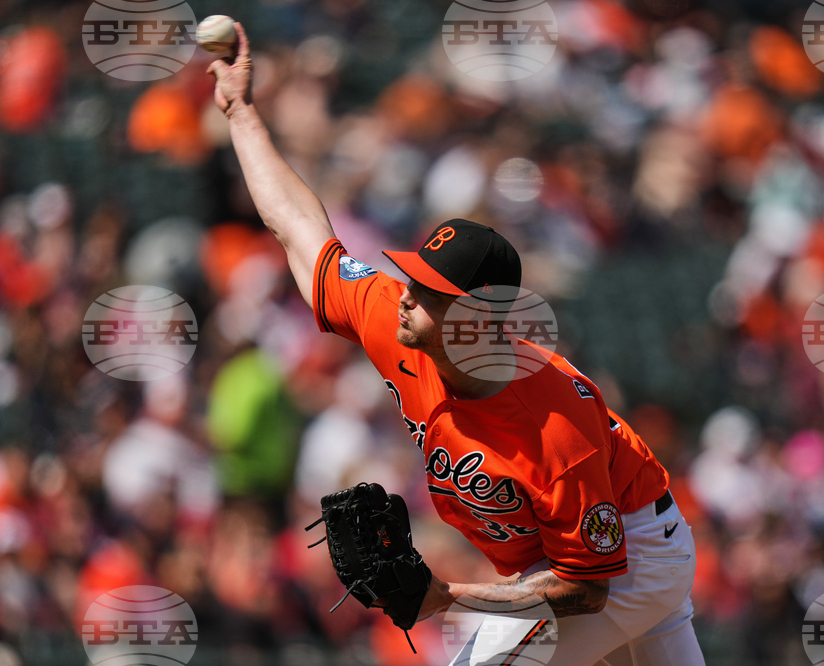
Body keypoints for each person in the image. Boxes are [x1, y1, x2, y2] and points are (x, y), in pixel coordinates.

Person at [207, 24, 706, 666]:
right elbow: (298, 230)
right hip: (574, 560)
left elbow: (587, 589)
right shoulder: (396, 319)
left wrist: (447, 596)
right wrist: (241, 113)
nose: (409, 293)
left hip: (627, 558)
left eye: (432, 290)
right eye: (413, 278)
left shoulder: (555, 426)